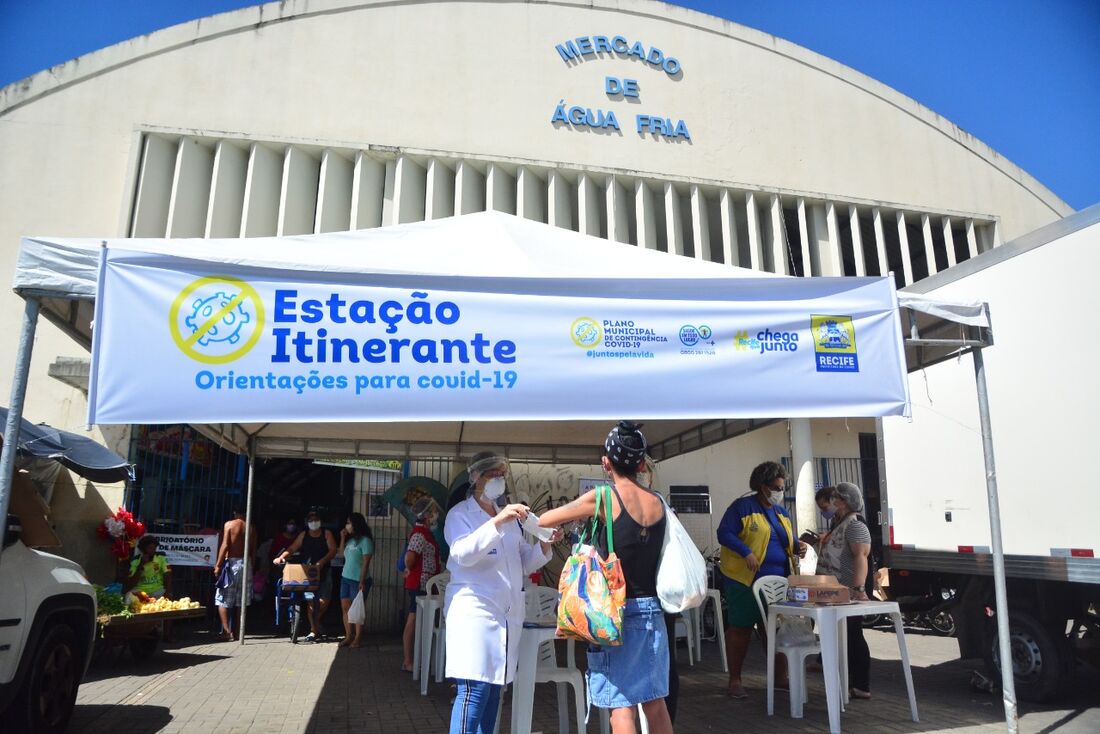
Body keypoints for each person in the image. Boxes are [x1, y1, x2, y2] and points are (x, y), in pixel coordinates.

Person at [540, 422, 673, 734]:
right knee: (655, 702)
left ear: (606, 462)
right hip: (653, 611)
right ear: (641, 463)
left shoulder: (602, 498)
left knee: (621, 705)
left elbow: (546, 519)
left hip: (614, 613)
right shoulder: (658, 502)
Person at [444, 451, 559, 734]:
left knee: (495, 689)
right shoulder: (459, 515)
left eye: (501, 474)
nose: (498, 480)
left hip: (506, 614)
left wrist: (545, 544)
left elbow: (523, 561)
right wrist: (497, 523)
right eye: (492, 474)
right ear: (476, 478)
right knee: (474, 691)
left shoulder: (508, 518)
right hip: (474, 613)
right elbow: (463, 553)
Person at [715, 461, 806, 699]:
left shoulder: (781, 513)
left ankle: (779, 677)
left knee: (776, 630)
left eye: (782, 487)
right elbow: (724, 533)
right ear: (762, 486)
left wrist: (799, 545)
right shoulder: (742, 507)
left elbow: (787, 538)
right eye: (776, 487)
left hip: (778, 581)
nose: (780, 492)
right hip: (744, 580)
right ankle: (735, 680)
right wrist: (746, 552)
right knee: (741, 629)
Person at [815, 481, 874, 700]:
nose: (831, 503)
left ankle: (861, 684)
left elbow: (861, 557)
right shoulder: (842, 522)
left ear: (844, 501)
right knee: (844, 635)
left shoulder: (855, 524)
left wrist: (859, 589)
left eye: (835, 499)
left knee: (853, 635)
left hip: (848, 592)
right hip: (836, 592)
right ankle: (849, 682)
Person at [273, 508, 337, 642]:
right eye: (311, 520)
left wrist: (323, 561)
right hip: (308, 573)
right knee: (311, 603)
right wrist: (281, 557)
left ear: (320, 521)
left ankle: (316, 621)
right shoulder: (303, 535)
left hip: (324, 572)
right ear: (307, 522)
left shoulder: (327, 534)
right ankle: (313, 630)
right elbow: (292, 548)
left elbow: (333, 550)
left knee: (324, 601)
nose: (314, 522)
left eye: (316, 520)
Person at [401, 498, 441, 672]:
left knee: (417, 619)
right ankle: (408, 660)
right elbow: (410, 557)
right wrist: (411, 569)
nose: (434, 515)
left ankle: (411, 659)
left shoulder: (425, 533)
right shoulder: (419, 534)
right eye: (432, 512)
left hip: (423, 583)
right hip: (419, 584)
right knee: (414, 619)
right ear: (425, 515)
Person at [213, 507, 257, 642]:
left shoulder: (229, 525)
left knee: (222, 598)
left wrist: (218, 565)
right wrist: (251, 567)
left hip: (232, 563)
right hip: (247, 563)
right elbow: (253, 551)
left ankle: (226, 632)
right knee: (241, 601)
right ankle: (238, 632)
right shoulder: (251, 528)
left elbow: (225, 544)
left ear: (235, 513)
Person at [338, 512, 374, 648]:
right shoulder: (350, 540)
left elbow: (366, 563)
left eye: (349, 522)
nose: (347, 525)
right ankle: (348, 636)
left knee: (357, 610)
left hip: (358, 580)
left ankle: (357, 638)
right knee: (345, 608)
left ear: (355, 524)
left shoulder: (366, 541)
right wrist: (342, 538)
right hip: (345, 578)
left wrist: (362, 581)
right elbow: (341, 554)